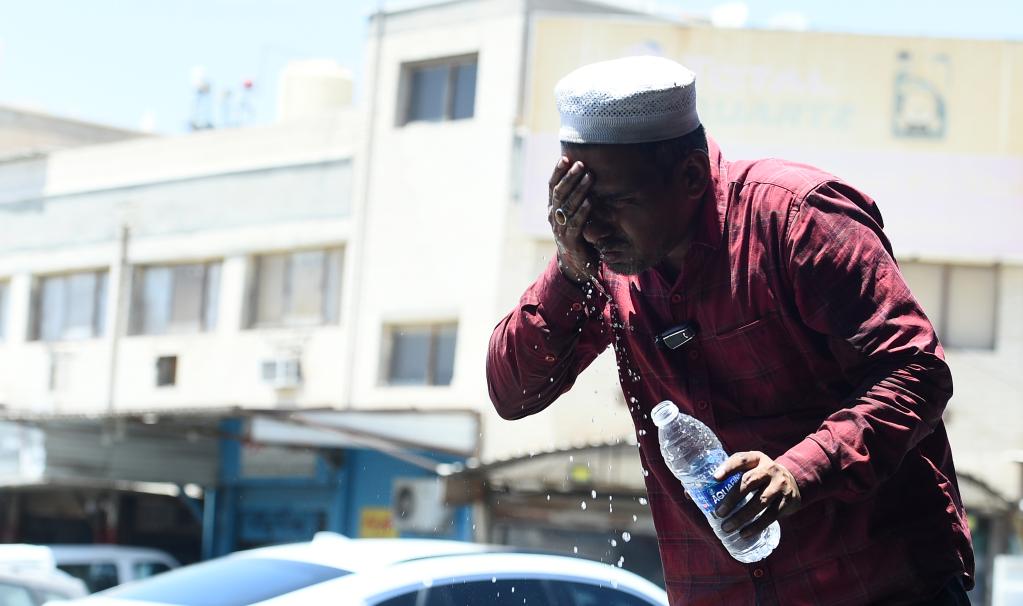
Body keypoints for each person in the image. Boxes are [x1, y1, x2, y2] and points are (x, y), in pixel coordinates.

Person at [486, 56, 974, 605]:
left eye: (616, 203)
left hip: (883, 588)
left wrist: (799, 472)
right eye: (577, 206)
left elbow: (917, 372)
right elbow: (513, 393)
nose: (594, 229)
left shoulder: (798, 220)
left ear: (692, 176)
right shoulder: (599, 262)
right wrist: (569, 271)